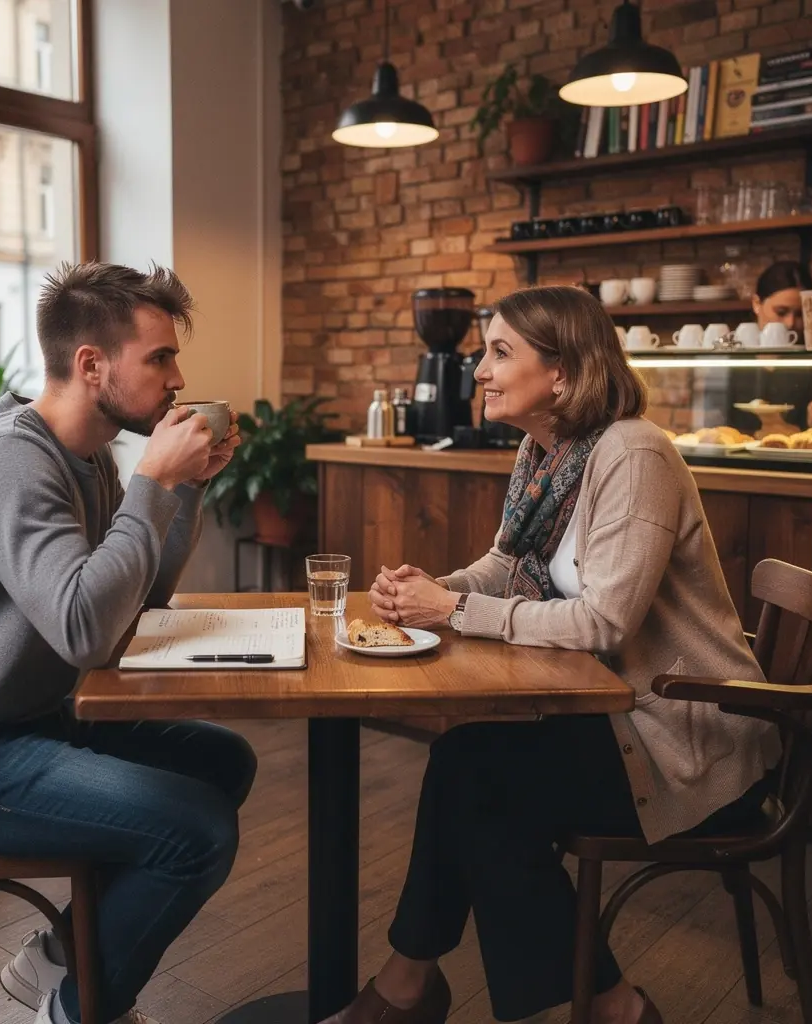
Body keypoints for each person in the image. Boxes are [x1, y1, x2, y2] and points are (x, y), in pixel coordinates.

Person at [326, 286, 780, 1024]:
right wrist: (435, 589)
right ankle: (439, 989)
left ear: (563, 372)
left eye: (500, 352)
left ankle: (441, 994)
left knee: (478, 783)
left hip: (687, 737)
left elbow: (606, 622)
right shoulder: (546, 452)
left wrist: (455, 612)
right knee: (466, 765)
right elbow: (508, 563)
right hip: (619, 715)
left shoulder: (633, 453)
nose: (480, 370)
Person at [0, 261, 256, 1024]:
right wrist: (151, 485)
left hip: (20, 726)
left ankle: (59, 957)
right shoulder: (6, 459)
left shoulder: (88, 456)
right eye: (160, 358)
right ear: (92, 364)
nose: (178, 380)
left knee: (223, 761)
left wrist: (185, 486)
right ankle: (74, 1010)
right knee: (196, 831)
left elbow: (136, 600)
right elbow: (85, 629)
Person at [746, 260, 812, 429]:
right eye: (781, 312)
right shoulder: (735, 359)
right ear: (756, 304)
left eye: (799, 314)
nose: (790, 323)